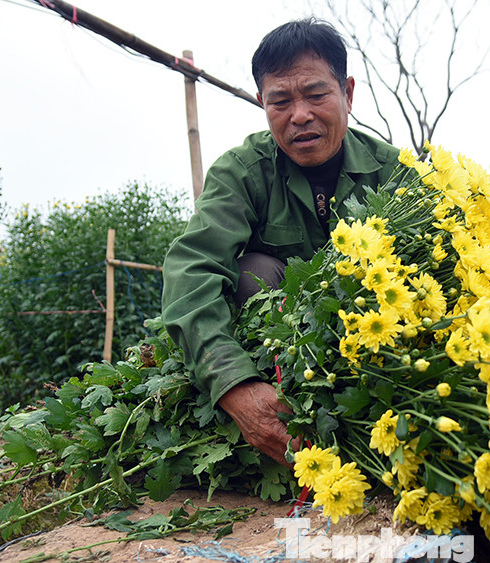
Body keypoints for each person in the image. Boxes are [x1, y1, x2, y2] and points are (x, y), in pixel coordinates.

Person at [161, 19, 401, 467]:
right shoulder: (242, 172)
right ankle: (278, 414)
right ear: (262, 103)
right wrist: (234, 385)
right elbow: (189, 269)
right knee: (254, 270)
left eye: (316, 94)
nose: (300, 115)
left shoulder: (393, 174)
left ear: (347, 93)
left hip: (373, 351)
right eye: (281, 101)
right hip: (280, 360)